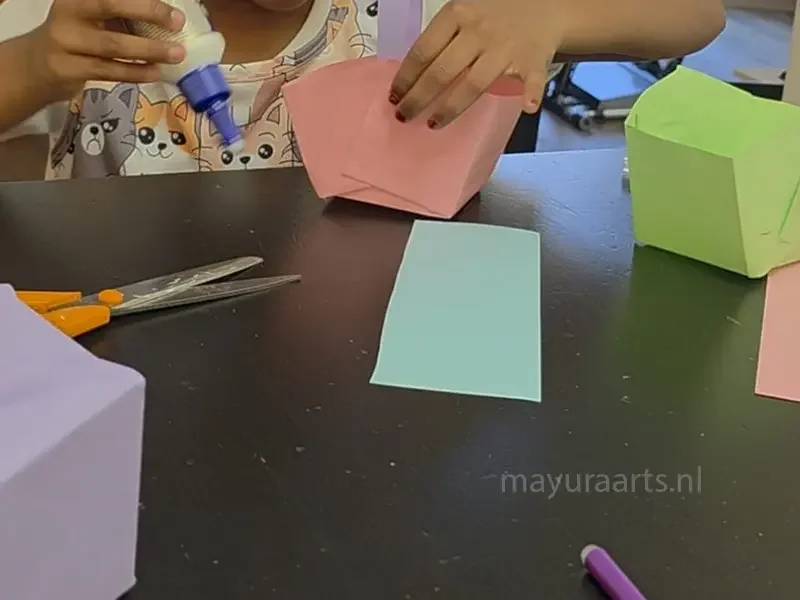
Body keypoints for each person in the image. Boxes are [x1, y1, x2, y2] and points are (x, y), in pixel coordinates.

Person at [0, 0, 725, 180]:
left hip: (341, 368)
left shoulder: (406, 15)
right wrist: (35, 64)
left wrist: (553, 13)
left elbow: (699, 15)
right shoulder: (103, 13)